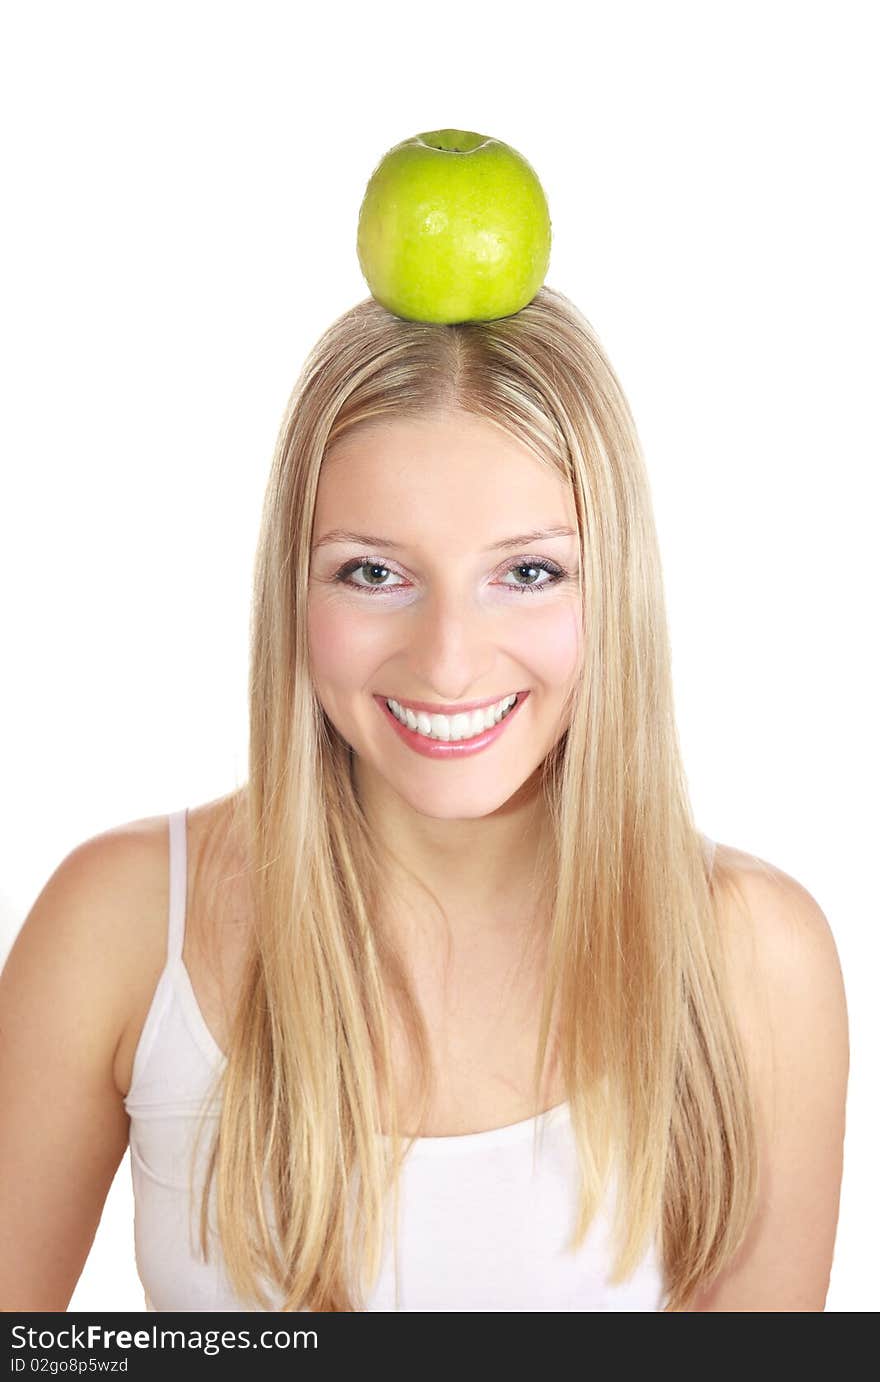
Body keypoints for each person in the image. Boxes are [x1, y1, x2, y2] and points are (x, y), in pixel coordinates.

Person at [0, 287, 849, 1312]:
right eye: (372, 572)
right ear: (292, 589)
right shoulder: (121, 924)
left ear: (614, 588)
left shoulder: (755, 960)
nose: (448, 663)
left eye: (528, 571)